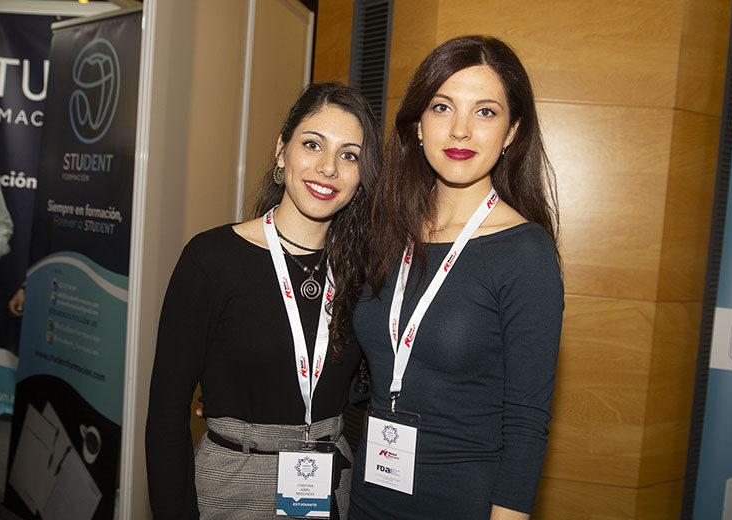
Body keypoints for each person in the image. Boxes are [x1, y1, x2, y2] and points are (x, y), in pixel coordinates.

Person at [348, 36, 564, 519]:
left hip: (463, 502)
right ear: (418, 125)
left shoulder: (524, 252)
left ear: (511, 132)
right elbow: (355, 368)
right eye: (442, 107)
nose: (461, 130)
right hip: (367, 496)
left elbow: (527, 423)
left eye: (485, 112)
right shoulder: (389, 231)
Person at [145, 83, 380, 520]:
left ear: (362, 175)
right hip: (231, 487)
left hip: (331, 488)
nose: (328, 168)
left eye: (349, 155)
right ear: (281, 151)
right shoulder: (211, 259)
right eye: (313, 145)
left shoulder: (365, 272)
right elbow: (165, 416)